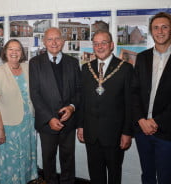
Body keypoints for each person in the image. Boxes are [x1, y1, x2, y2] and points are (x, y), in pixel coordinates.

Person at [77, 30, 133, 184]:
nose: (100, 47)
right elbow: (82, 101)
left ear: (112, 45)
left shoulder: (125, 69)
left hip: (114, 135)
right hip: (91, 133)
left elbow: (130, 104)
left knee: (114, 174)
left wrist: (127, 132)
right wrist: (80, 126)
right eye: (96, 44)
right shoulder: (86, 68)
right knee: (95, 175)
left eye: (103, 43)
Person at [29, 27, 81, 184]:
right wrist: (50, 118)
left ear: (63, 42)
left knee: (68, 159)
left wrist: (72, 107)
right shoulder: (35, 63)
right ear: (44, 42)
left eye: (57, 38)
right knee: (48, 160)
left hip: (69, 122)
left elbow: (79, 90)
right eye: (50, 39)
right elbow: (35, 94)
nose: (54, 42)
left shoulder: (73, 62)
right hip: (47, 123)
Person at [0, 39, 38, 184]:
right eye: (11, 49)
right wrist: (0, 130)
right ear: (5, 52)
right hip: (10, 127)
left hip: (28, 123)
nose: (14, 52)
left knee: (27, 157)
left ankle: (25, 180)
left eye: (18, 49)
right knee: (11, 162)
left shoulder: (27, 68)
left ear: (22, 52)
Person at [132, 12, 171, 184]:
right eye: (156, 27)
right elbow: (133, 92)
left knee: (165, 178)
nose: (160, 31)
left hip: (167, 132)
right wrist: (141, 119)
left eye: (165, 27)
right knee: (147, 176)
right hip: (142, 131)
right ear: (151, 31)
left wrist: (156, 122)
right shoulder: (142, 58)